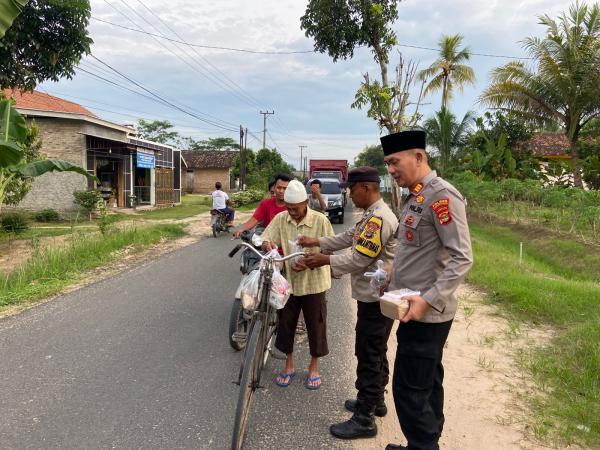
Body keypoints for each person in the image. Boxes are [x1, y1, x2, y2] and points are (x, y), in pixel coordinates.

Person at [381, 130, 473, 450]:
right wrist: (390, 277)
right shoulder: (415, 195)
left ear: (419, 157)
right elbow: (417, 252)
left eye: (395, 162)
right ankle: (422, 444)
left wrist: (427, 300)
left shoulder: (442, 195)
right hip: (410, 308)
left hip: (426, 314)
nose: (390, 170)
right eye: (387, 164)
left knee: (410, 390)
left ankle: (423, 446)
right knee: (427, 383)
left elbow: (462, 258)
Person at [298, 167, 398, 439]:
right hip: (376, 297)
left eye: (351, 189)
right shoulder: (371, 215)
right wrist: (317, 240)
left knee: (368, 353)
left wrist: (325, 260)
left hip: (375, 300)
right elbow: (348, 238)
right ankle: (375, 400)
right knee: (375, 350)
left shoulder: (378, 218)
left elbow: (358, 258)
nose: (349, 195)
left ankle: (364, 418)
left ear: (366, 188)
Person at [260, 180, 335, 390]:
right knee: (285, 324)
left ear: (305, 203)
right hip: (288, 283)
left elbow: (331, 249)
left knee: (316, 324)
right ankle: (289, 365)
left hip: (315, 283)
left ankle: (313, 367)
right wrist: (268, 244)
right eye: (288, 208)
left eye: (295, 208)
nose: (291, 212)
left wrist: (312, 260)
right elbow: (266, 238)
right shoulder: (281, 218)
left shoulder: (320, 220)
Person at [233, 173, 291, 238]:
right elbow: (254, 219)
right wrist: (241, 230)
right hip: (265, 239)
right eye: (279, 187)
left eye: (285, 188)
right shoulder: (265, 203)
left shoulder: (293, 206)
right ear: (274, 188)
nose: (281, 191)